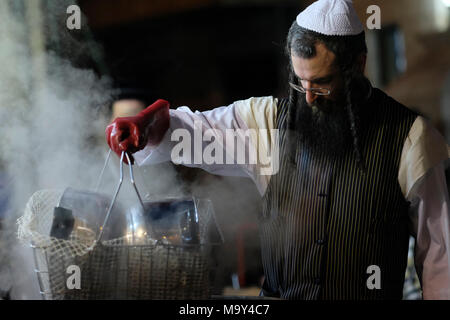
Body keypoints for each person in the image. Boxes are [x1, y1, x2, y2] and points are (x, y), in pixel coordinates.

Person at [105, 0, 450, 300]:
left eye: (322, 84)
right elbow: (196, 132)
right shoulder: (269, 122)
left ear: (358, 66)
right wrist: (149, 129)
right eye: (300, 82)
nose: (309, 98)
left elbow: (440, 258)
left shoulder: (410, 137)